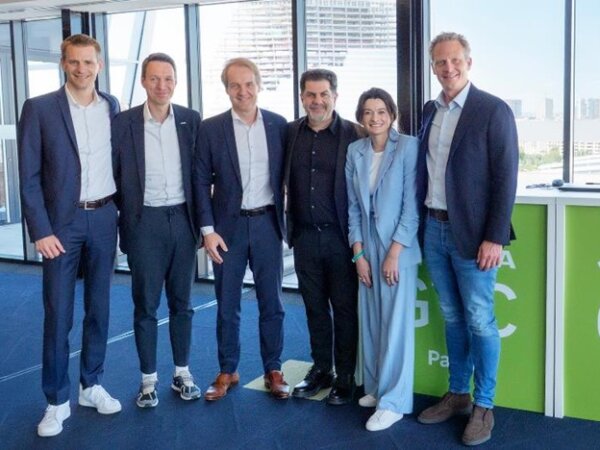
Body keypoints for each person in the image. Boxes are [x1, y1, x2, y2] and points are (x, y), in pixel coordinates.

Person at [416, 32, 518, 446]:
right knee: (453, 317)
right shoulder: (430, 110)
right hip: (433, 229)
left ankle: (484, 404)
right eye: (440, 62)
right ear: (433, 67)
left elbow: (506, 177)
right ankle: (458, 393)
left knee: (479, 319)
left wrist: (495, 237)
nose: (448, 68)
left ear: (469, 62)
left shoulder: (493, 110)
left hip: (475, 237)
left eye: (455, 60)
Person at [17, 34, 121, 437]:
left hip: (104, 217)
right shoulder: (39, 108)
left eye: (88, 62)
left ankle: (91, 385)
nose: (82, 69)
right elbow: (28, 177)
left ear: (99, 65)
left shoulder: (111, 106)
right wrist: (40, 230)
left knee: (100, 309)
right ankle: (57, 401)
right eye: (74, 62)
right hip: (62, 226)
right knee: (58, 314)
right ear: (63, 64)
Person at [194, 58, 289, 400]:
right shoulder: (211, 128)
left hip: (267, 225)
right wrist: (208, 230)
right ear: (226, 89)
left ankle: (273, 369)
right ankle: (227, 369)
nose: (243, 91)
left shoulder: (279, 125)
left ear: (258, 85)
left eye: (249, 84)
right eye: (235, 85)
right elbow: (200, 180)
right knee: (227, 303)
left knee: (272, 302)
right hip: (226, 230)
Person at [112, 53, 202, 408]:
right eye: (154, 78)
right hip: (144, 222)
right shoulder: (123, 123)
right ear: (143, 82)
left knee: (183, 303)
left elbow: (201, 174)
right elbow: (114, 173)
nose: (161, 85)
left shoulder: (191, 120)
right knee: (146, 304)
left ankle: (183, 373)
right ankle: (148, 379)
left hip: (182, 220)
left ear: (175, 82)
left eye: (168, 78)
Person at [346, 88, 421, 430]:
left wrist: (394, 252)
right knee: (372, 321)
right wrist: (358, 253)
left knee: (395, 326)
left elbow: (411, 207)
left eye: (381, 111)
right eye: (368, 112)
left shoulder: (407, 147)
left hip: (397, 247)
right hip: (367, 247)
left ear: (391, 114)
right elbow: (352, 207)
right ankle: (376, 388)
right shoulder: (355, 151)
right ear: (360, 117)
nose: (374, 118)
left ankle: (394, 402)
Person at [284, 69, 360, 404]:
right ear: (302, 97)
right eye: (311, 95)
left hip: (341, 239)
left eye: (323, 94)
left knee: (344, 310)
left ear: (335, 96)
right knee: (314, 308)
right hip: (304, 237)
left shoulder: (355, 134)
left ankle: (345, 375)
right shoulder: (289, 133)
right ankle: (321, 369)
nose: (317, 101)